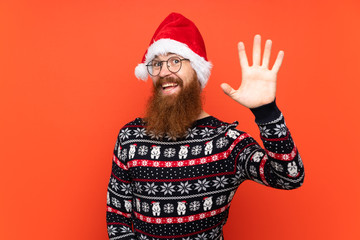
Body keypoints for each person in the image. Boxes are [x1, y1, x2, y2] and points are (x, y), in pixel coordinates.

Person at [106, 12, 304, 240]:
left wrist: (266, 112)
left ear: (197, 71)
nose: (163, 72)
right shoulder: (130, 137)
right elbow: (117, 218)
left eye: (175, 61)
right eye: (156, 64)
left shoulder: (226, 141)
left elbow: (290, 177)